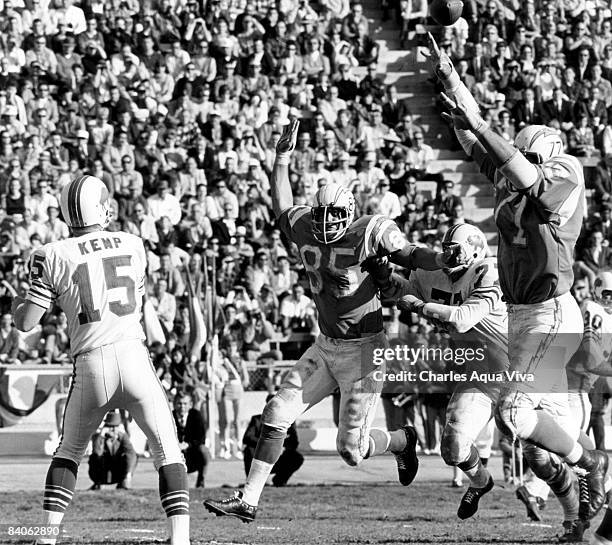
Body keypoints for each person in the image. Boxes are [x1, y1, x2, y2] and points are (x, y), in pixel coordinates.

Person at [204, 120, 471, 522]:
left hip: (365, 351)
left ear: (349, 213)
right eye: (321, 214)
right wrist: (281, 157)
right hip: (325, 344)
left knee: (352, 450)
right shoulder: (305, 227)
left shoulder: (370, 232)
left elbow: (412, 255)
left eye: (334, 215)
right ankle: (249, 500)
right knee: (276, 412)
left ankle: (401, 440)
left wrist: (442, 258)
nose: (326, 223)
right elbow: (281, 205)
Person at [425, 32, 608, 538]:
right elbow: (479, 146)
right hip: (522, 314)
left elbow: (521, 171)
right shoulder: (517, 176)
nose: (515, 165)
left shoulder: (565, 171)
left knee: (515, 412)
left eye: (526, 156)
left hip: (552, 311)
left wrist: (478, 116)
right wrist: (453, 93)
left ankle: (594, 462)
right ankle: (578, 520)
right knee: (534, 444)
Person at [11, 175, 190, 545]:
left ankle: (46, 538)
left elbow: (27, 323)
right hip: (134, 357)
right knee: (167, 449)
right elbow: (134, 302)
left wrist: (16, 306)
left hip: (91, 363)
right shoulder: (133, 243)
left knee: (69, 452)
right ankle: (181, 538)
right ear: (101, 208)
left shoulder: (51, 253)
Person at [366, 224, 506, 520]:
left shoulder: (489, 271)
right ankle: (481, 482)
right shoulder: (431, 272)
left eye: (457, 252)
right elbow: (401, 292)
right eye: (447, 250)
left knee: (534, 443)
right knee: (452, 449)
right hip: (478, 373)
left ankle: (587, 485)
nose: (449, 258)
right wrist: (384, 275)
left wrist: (418, 306)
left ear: (476, 251)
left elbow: (462, 319)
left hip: (517, 370)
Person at [242, 394, 304, 487]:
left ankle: (280, 480)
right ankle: (253, 483)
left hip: (279, 457)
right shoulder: (257, 420)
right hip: (261, 456)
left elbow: (294, 442)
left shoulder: (289, 421)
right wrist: (267, 445)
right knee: (248, 450)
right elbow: (247, 438)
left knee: (297, 457)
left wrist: (283, 447)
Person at [88, 410, 138, 490]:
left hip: (117, 472)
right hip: (102, 472)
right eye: (110, 426)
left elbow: (131, 454)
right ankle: (98, 483)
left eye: (115, 427)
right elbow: (97, 453)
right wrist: (101, 436)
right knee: (94, 458)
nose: (113, 429)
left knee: (132, 456)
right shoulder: (98, 437)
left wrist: (128, 475)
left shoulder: (122, 437)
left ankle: (123, 483)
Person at [173, 391, 210, 489]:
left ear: (190, 405)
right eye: (179, 403)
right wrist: (177, 445)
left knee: (204, 450)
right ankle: (171, 485)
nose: (182, 406)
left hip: (193, 454)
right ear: (174, 404)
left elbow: (201, 438)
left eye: (185, 404)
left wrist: (188, 445)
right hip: (175, 453)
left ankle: (201, 481)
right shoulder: (170, 417)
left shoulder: (196, 415)